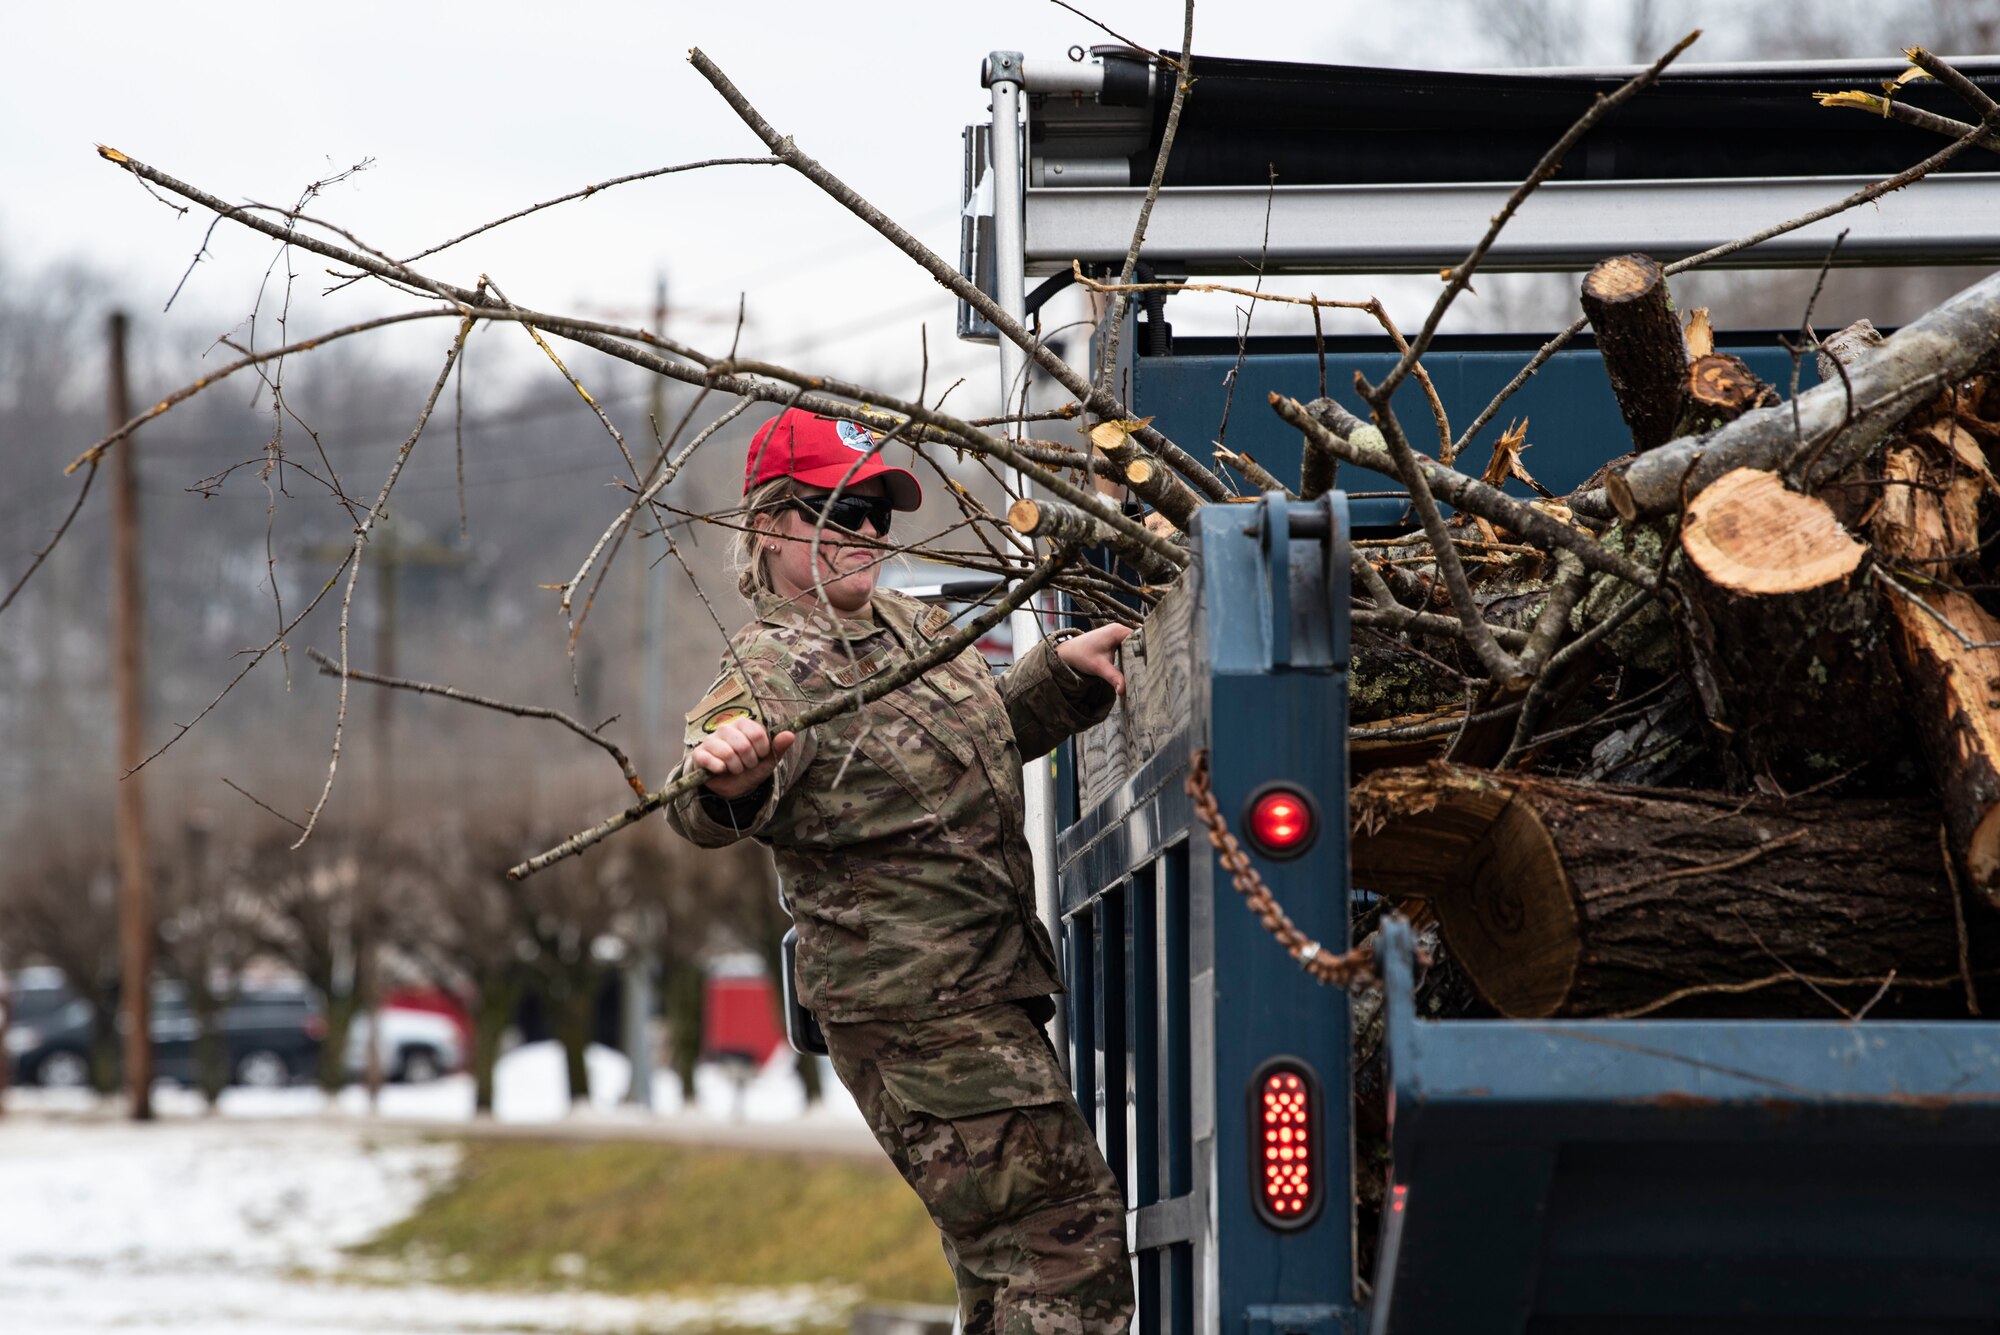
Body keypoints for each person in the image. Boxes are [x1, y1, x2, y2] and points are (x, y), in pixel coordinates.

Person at [665, 407, 1136, 1335]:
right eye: (839, 510)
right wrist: (728, 778)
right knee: (1067, 1255)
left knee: (1009, 1275)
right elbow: (702, 794)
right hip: (920, 1020)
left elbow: (971, 742)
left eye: (880, 512)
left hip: (984, 996)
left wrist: (1059, 678)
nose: (866, 534)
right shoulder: (769, 669)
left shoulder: (909, 626)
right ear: (770, 525)